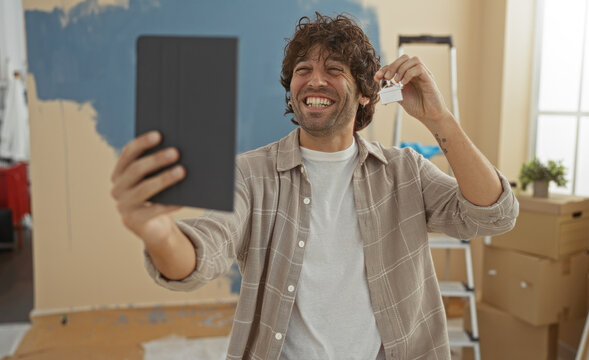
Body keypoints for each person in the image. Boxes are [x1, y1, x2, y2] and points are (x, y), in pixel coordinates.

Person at [110, 12, 518, 360]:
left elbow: (494, 214)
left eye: (334, 70)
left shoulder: (404, 172)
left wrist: (440, 119)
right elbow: (202, 255)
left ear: (364, 94)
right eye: (303, 70)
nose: (314, 80)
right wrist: (158, 231)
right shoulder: (251, 175)